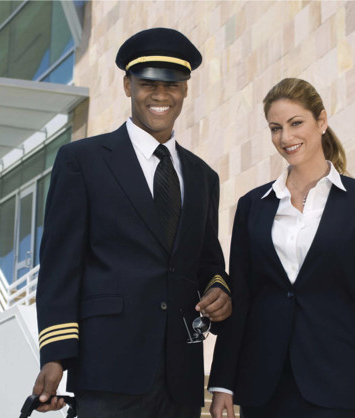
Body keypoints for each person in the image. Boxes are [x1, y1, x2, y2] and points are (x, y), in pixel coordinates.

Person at [31, 28, 232, 418]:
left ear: (186, 90)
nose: (161, 95)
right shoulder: (81, 161)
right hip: (107, 372)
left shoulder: (203, 176)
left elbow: (207, 262)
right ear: (127, 85)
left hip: (182, 378)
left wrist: (219, 290)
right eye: (148, 84)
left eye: (172, 85)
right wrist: (55, 356)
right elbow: (60, 267)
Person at [208, 78, 355, 418]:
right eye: (275, 128)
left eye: (296, 123)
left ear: (322, 122)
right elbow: (242, 296)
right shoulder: (253, 206)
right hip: (262, 384)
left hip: (333, 381)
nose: (286, 138)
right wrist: (223, 382)